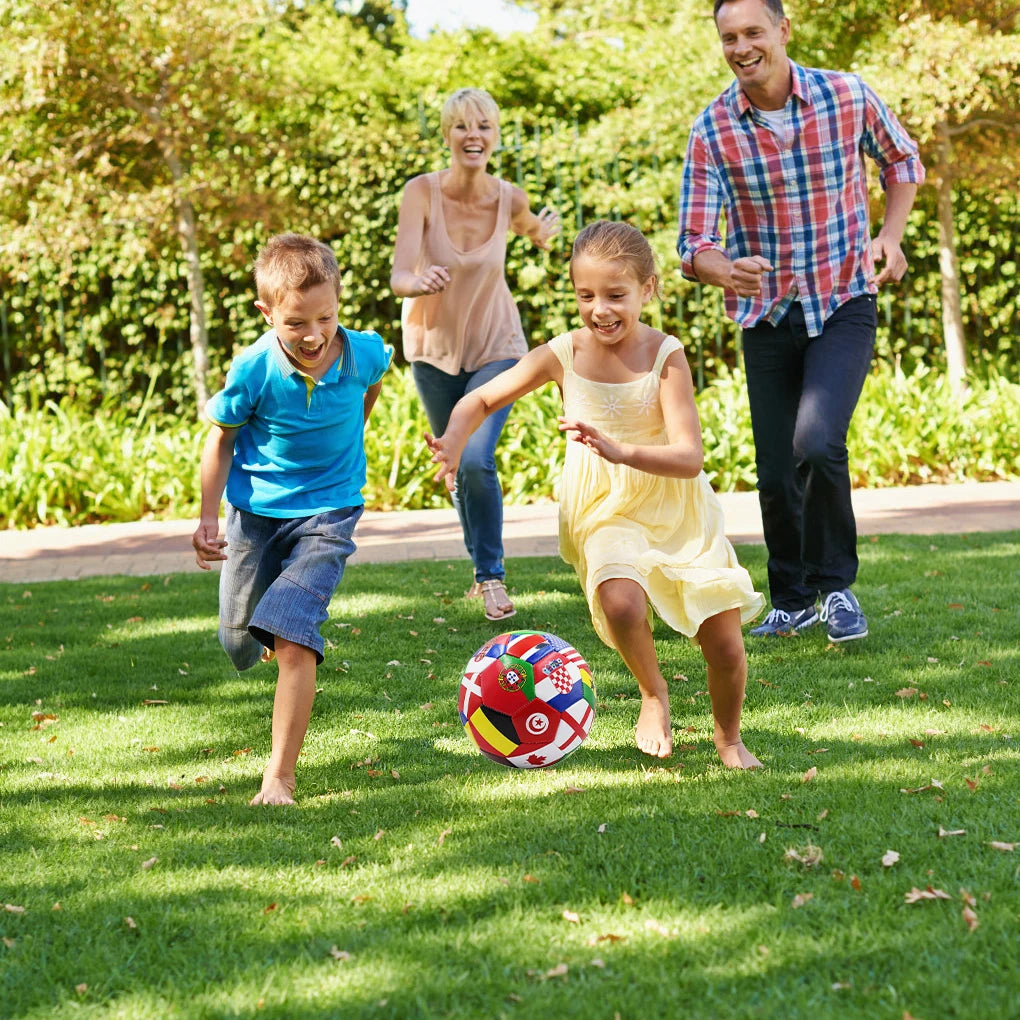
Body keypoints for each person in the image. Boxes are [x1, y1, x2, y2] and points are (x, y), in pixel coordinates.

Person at [427, 220, 765, 766]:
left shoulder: (665, 355)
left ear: (648, 289)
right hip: (605, 507)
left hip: (676, 506)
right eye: (586, 295)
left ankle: (729, 738)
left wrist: (622, 450)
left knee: (724, 644)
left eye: (615, 295)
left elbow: (690, 458)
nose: (599, 309)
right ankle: (654, 694)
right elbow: (484, 399)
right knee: (621, 602)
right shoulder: (564, 354)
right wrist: (454, 440)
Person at [677, 0, 925, 642]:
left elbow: (902, 161)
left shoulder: (846, 95)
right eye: (729, 37)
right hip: (767, 314)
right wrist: (720, 268)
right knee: (776, 466)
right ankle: (789, 599)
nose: (741, 47)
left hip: (844, 298)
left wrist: (890, 238)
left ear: (783, 31)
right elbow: (693, 239)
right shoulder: (714, 129)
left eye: (753, 32)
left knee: (816, 441)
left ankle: (836, 589)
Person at [192, 233, 392, 805]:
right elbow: (221, 442)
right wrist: (209, 519)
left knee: (293, 635)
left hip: (330, 512)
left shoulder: (364, 351)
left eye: (325, 318)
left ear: (338, 302)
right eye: (296, 323)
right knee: (238, 642)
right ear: (267, 313)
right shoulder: (253, 368)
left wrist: (354, 432)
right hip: (255, 515)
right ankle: (265, 636)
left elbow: (372, 383)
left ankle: (279, 777)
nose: (313, 335)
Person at [391, 87, 560, 624]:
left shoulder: (508, 197)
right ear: (447, 134)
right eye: (462, 126)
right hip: (434, 349)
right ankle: (480, 572)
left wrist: (541, 235)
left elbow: (531, 226)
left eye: (483, 126)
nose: (473, 135)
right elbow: (398, 276)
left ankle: (490, 576)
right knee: (457, 462)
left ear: (495, 136)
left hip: (497, 344)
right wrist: (418, 282)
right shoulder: (420, 193)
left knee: (475, 455)